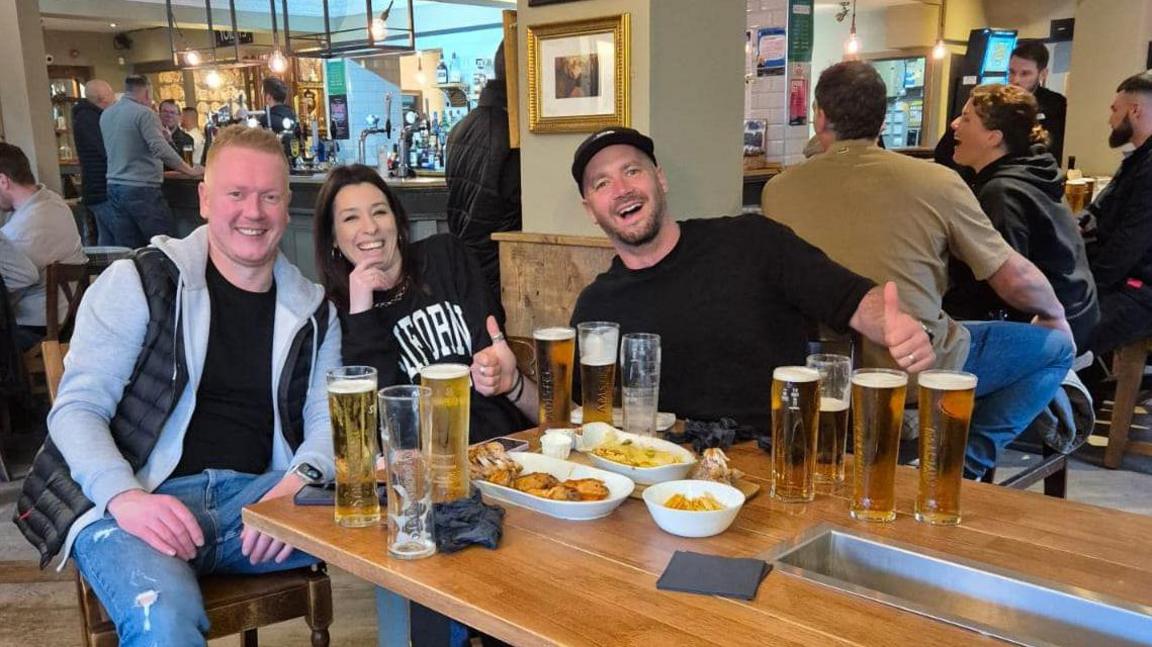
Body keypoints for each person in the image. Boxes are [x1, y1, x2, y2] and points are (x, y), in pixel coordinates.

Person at [12, 125, 341, 646]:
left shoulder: (314, 309)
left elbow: (328, 421)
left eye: (269, 197)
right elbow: (77, 411)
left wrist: (294, 484)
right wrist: (124, 496)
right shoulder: (140, 282)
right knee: (161, 617)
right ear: (206, 199)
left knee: (405, 526)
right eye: (236, 193)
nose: (253, 212)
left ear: (286, 206)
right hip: (136, 500)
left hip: (257, 502)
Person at [763, 61, 1074, 479]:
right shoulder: (937, 182)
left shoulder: (777, 191)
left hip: (820, 372)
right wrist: (1055, 316)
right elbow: (1012, 276)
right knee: (1056, 351)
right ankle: (963, 467)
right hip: (915, 367)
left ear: (820, 116)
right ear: (883, 117)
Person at [559, 126, 934, 438]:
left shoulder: (752, 241)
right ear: (590, 210)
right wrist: (511, 384)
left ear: (660, 179)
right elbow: (567, 412)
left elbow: (850, 299)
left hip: (782, 460)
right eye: (602, 183)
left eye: (632, 171)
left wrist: (890, 324)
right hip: (670, 482)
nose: (621, 189)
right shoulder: (598, 307)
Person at [312, 163, 531, 647]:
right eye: (350, 219)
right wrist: (363, 306)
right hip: (425, 481)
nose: (369, 228)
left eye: (379, 212)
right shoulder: (340, 314)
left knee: (517, 592)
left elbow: (487, 342)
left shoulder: (445, 256)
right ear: (333, 239)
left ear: (398, 220)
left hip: (499, 453)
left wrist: (498, 367)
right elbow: (373, 428)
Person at [943, 83, 1098, 351]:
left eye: (967, 119)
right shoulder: (1034, 173)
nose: (955, 124)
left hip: (1045, 326)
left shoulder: (1001, 192)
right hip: (1079, 310)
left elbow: (996, 284)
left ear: (993, 137)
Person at [445, 40, 521, 302]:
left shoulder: (460, 127)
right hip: (499, 266)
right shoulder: (513, 136)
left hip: (466, 264)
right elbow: (515, 210)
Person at [1083, 71, 1152, 356]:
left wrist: (1088, 289)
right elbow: (1100, 207)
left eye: (1115, 110)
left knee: (1065, 336)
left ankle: (1079, 399)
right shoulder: (1137, 160)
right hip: (1122, 279)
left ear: (1134, 111)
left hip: (1140, 289)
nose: (1110, 119)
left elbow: (1128, 244)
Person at [0, 143, 87, 351]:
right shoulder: (51, 200)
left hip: (33, 329)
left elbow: (6, 297)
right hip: (61, 320)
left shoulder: (27, 228)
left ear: (3, 181)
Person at [935, 40, 1068, 172]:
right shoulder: (995, 99)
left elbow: (1055, 151)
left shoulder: (1056, 105)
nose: (1016, 80)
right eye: (1011, 72)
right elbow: (943, 154)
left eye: (1025, 73)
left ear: (1043, 74)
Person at [101, 75, 203, 248]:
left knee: (129, 248)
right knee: (163, 244)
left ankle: (134, 276)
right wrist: (190, 170)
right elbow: (159, 149)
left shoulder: (107, 113)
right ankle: (165, 276)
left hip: (113, 186)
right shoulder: (144, 113)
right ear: (147, 92)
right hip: (142, 188)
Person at [72, 78, 117, 245]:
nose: (115, 99)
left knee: (107, 240)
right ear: (102, 99)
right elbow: (107, 151)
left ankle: (107, 270)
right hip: (101, 188)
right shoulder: (91, 119)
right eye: (112, 94)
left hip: (94, 189)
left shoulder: (84, 117)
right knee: (120, 236)